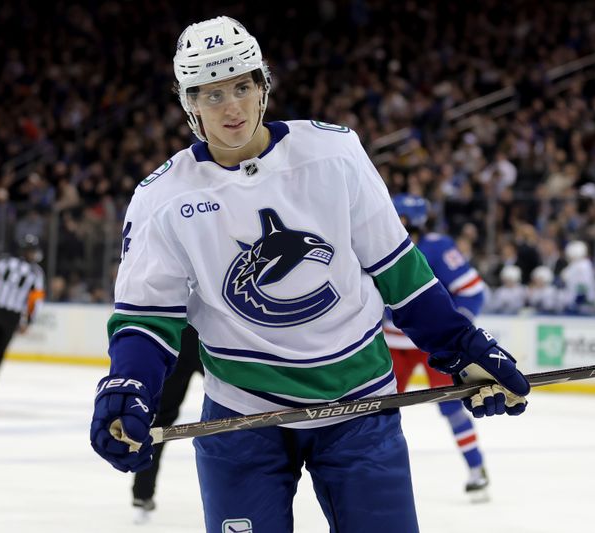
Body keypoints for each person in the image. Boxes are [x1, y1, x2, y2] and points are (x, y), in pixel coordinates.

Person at [90, 16, 530, 533]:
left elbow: (400, 272)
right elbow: (146, 319)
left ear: (263, 86)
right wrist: (128, 385)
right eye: (211, 95)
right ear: (189, 104)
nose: (231, 107)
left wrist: (461, 346)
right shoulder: (162, 198)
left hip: (361, 400)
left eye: (241, 85)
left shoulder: (335, 152)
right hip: (241, 415)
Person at [384, 194, 491, 502]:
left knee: (450, 405)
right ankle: (375, 477)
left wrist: (457, 332)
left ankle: (476, 468)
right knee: (379, 410)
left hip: (433, 343)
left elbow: (472, 291)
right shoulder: (376, 243)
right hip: (392, 342)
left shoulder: (437, 247)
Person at [131, 324, 204, 524]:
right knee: (159, 425)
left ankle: (142, 493)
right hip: (206, 338)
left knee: (159, 424)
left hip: (182, 337)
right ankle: (142, 493)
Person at [0, 234, 45, 393]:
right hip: (11, 318)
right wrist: (28, 322)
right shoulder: (35, 272)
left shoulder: (1, 261)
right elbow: (36, 301)